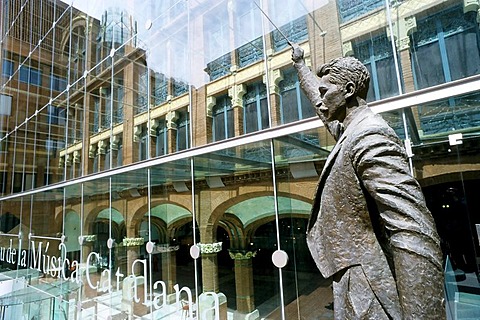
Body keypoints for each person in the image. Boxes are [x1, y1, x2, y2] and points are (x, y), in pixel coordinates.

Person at [291, 44, 445, 319]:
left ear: (348, 90)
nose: (321, 99)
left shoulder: (370, 136)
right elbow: (320, 103)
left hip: (370, 285)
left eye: (327, 92)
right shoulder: (350, 129)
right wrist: (301, 66)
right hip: (355, 276)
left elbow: (412, 230)